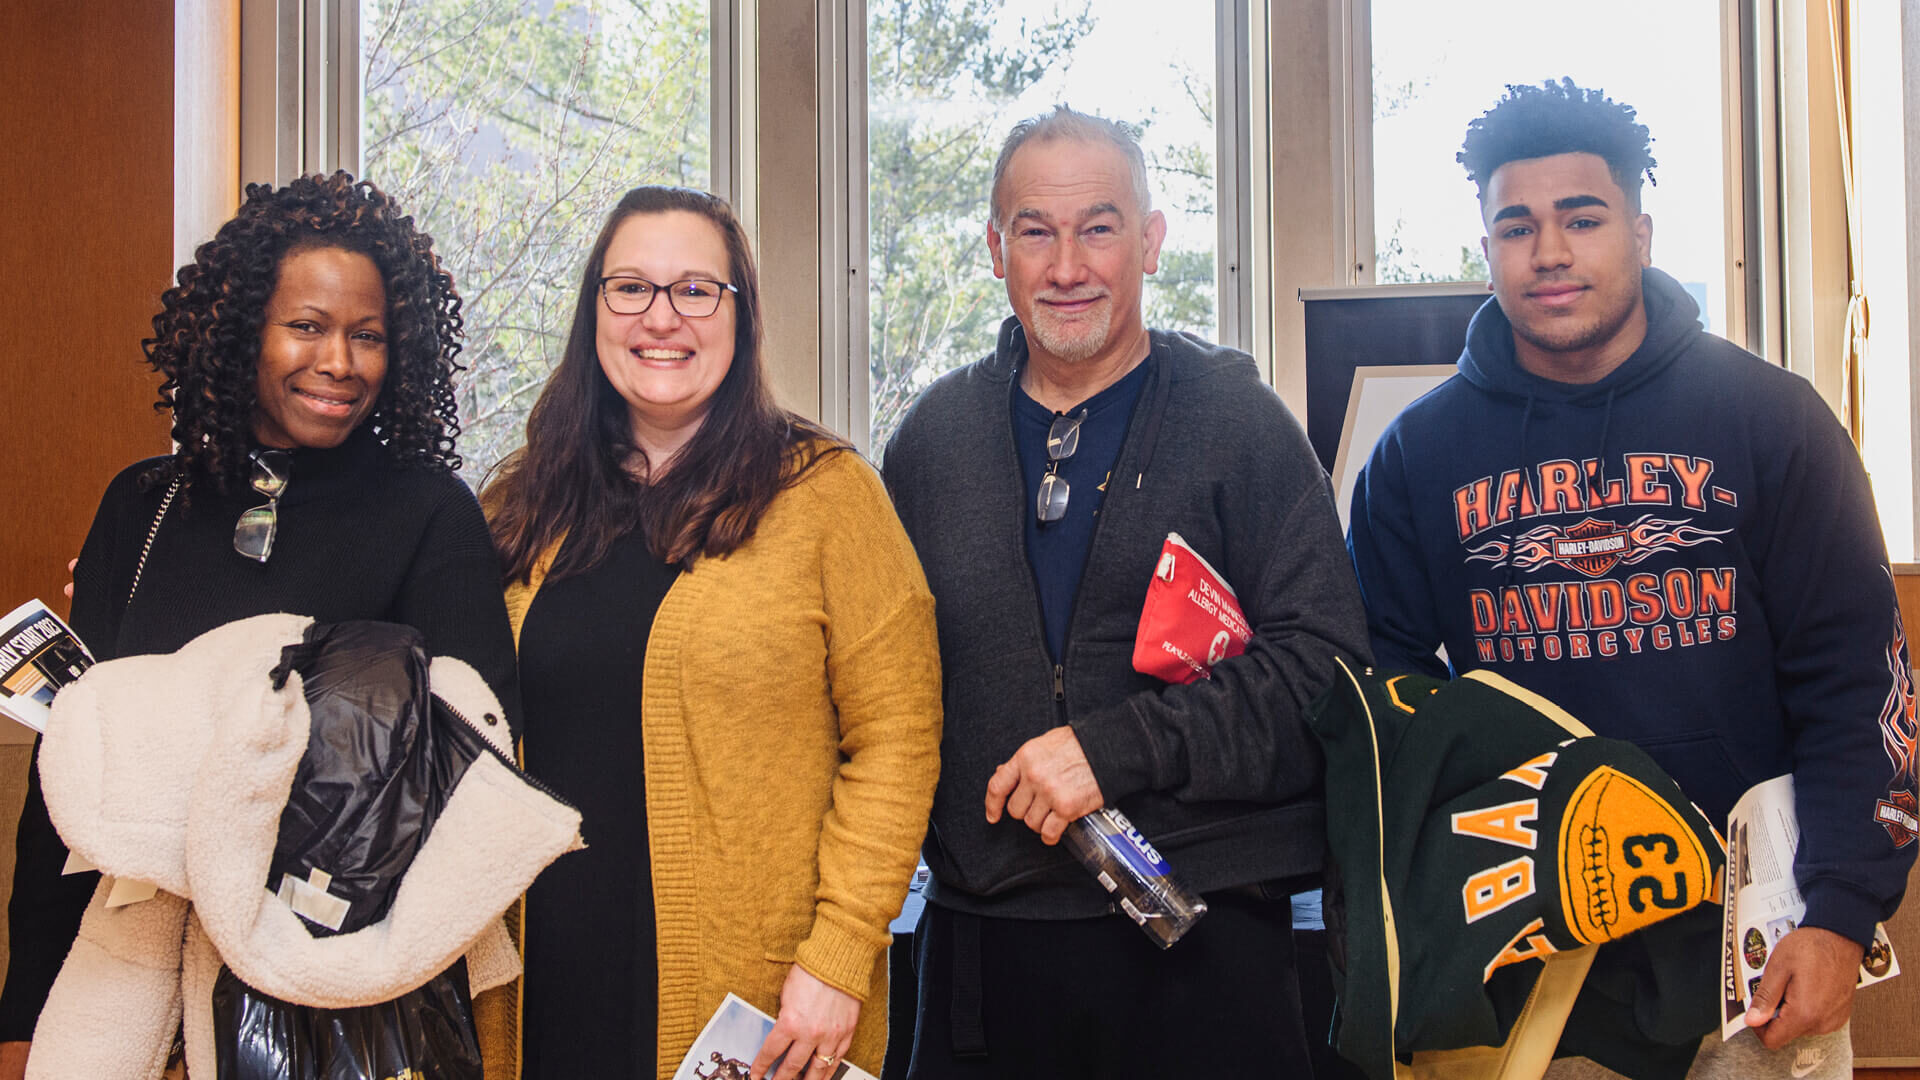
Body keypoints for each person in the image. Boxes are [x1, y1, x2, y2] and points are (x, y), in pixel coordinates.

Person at [1346, 80, 1917, 1079]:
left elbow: (1858, 684)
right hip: (1538, 967)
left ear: (1641, 232)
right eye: (1516, 226)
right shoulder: (1417, 458)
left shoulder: (1770, 420)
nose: (1551, 251)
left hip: (1759, 954)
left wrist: (1841, 914)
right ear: (1486, 249)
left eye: (1583, 218)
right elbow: (1391, 708)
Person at [880, 107, 1370, 1076]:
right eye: (1036, 231)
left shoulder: (1240, 424)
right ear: (995, 249)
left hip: (1204, 950)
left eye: (1098, 228)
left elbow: (1327, 673)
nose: (1068, 267)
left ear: (1149, 244)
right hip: (985, 955)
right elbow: (875, 691)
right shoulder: (929, 445)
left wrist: (1115, 751)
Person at [0, 171, 521, 1075]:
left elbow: (475, 769)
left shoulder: (429, 514)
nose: (341, 363)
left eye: (369, 336)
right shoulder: (144, 504)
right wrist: (24, 1012)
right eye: (308, 327)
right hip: (122, 1000)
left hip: (337, 1006)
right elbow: (73, 779)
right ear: (242, 330)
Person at [479, 185, 941, 1080]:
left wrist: (839, 958)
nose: (663, 317)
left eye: (697, 290)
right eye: (631, 288)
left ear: (741, 316)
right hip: (543, 990)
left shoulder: (827, 497)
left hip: (758, 1002)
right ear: (594, 310)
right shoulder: (521, 505)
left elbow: (898, 738)